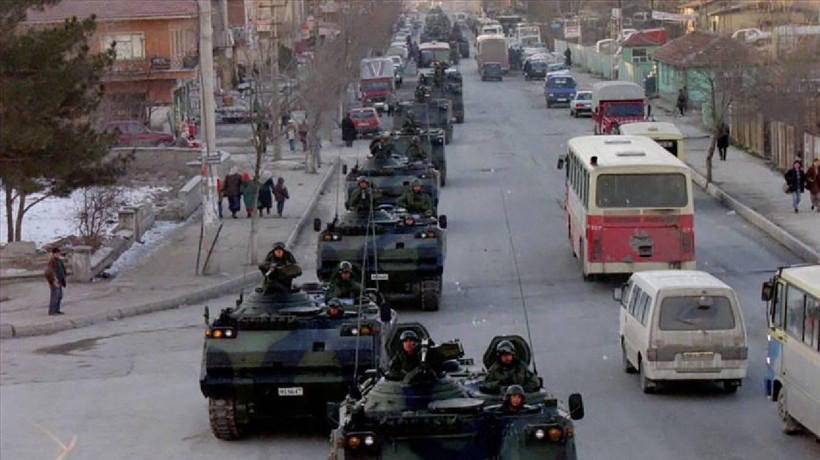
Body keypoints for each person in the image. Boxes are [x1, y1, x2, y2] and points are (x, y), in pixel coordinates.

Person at [44, 247, 67, 316]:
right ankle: (52, 311)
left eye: (59, 253)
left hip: (60, 281)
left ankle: (57, 310)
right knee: (55, 296)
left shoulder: (59, 261)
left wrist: (64, 276)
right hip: (54, 281)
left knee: (59, 296)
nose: (58, 255)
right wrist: (53, 281)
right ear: (53, 254)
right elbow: (48, 272)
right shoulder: (51, 261)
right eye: (56, 254)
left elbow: (63, 269)